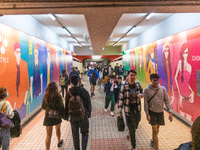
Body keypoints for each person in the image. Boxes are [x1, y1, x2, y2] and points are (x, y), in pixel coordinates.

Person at [144, 73, 173, 150]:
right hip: (152, 112)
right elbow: (146, 102)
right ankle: (157, 147)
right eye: (154, 81)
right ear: (151, 80)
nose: (156, 82)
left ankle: (153, 140)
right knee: (154, 129)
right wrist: (147, 113)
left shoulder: (163, 89)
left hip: (160, 112)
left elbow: (167, 101)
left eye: (157, 80)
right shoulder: (147, 90)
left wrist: (170, 112)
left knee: (157, 129)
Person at [118, 70, 144, 150]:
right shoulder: (124, 87)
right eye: (131, 75)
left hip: (137, 109)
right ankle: (134, 146)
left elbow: (143, 93)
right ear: (128, 76)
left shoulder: (138, 85)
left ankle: (130, 130)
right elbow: (121, 99)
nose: (133, 77)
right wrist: (120, 112)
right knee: (133, 128)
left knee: (136, 123)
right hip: (128, 110)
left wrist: (141, 95)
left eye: (134, 75)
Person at [65, 75, 92, 150]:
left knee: (75, 135)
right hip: (83, 116)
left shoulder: (68, 93)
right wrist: (89, 113)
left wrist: (68, 116)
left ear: (71, 82)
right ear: (79, 82)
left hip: (73, 117)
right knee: (85, 133)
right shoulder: (84, 91)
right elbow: (88, 103)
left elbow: (66, 106)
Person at [42, 82, 65, 150]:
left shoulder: (46, 96)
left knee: (48, 135)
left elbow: (43, 106)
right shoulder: (58, 96)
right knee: (58, 129)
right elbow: (61, 107)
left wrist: (49, 110)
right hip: (57, 117)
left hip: (48, 117)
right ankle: (59, 141)